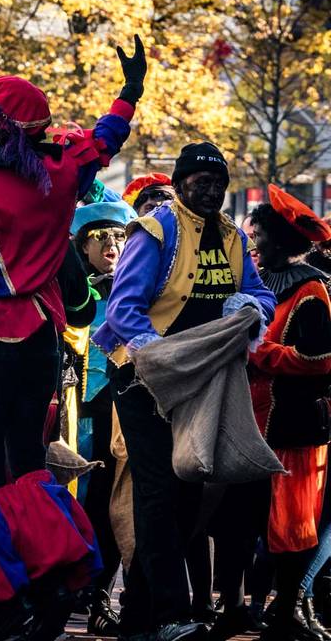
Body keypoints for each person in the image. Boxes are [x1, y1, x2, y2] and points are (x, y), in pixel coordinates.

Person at [0, 38, 145, 641]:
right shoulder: (62, 172)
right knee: (32, 468)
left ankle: (3, 600)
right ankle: (56, 581)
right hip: (44, 338)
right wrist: (129, 91)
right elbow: (104, 138)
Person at [93, 141, 276, 641]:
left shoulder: (233, 237)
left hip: (198, 383)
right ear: (180, 184)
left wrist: (250, 309)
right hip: (139, 379)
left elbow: (262, 295)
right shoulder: (156, 230)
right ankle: (170, 615)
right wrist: (159, 356)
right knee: (159, 493)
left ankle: (139, 616)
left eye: (219, 183)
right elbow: (123, 309)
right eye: (202, 181)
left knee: (189, 492)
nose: (212, 190)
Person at [211, 186, 331, 641]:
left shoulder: (312, 289)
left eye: (258, 233)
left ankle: (287, 612)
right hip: (248, 424)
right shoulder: (253, 282)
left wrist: (261, 353)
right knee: (237, 524)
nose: (252, 241)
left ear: (278, 240)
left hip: (293, 426)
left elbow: (320, 359)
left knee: (293, 527)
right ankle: (233, 608)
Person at [67, 200, 137, 636]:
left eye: (119, 236)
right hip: (76, 412)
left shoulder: (134, 289)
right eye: (101, 237)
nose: (111, 245)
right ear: (82, 244)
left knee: (112, 505)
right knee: (77, 501)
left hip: (120, 410)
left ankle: (99, 597)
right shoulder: (71, 291)